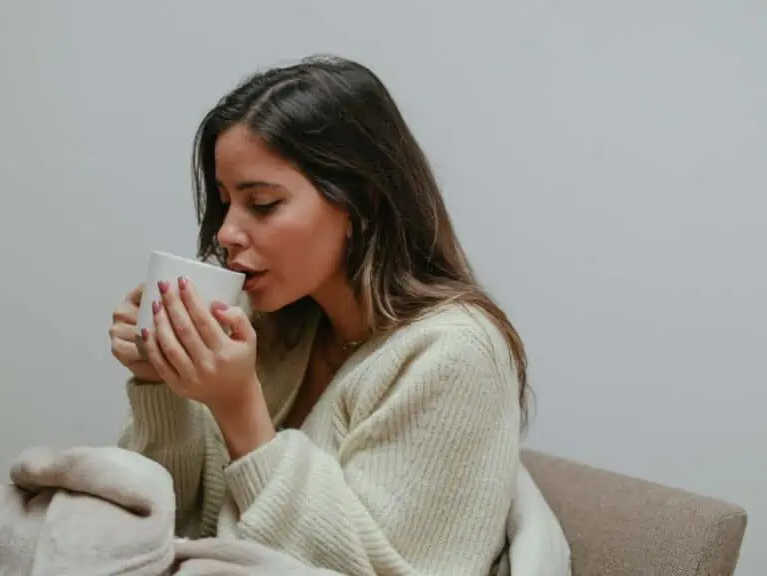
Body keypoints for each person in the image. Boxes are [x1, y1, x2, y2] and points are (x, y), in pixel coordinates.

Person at [108, 55, 532, 576]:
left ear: (362, 203)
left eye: (261, 204)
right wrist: (160, 386)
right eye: (225, 203)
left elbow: (375, 569)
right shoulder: (270, 322)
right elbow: (160, 532)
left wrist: (242, 412)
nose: (225, 233)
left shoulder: (455, 355)